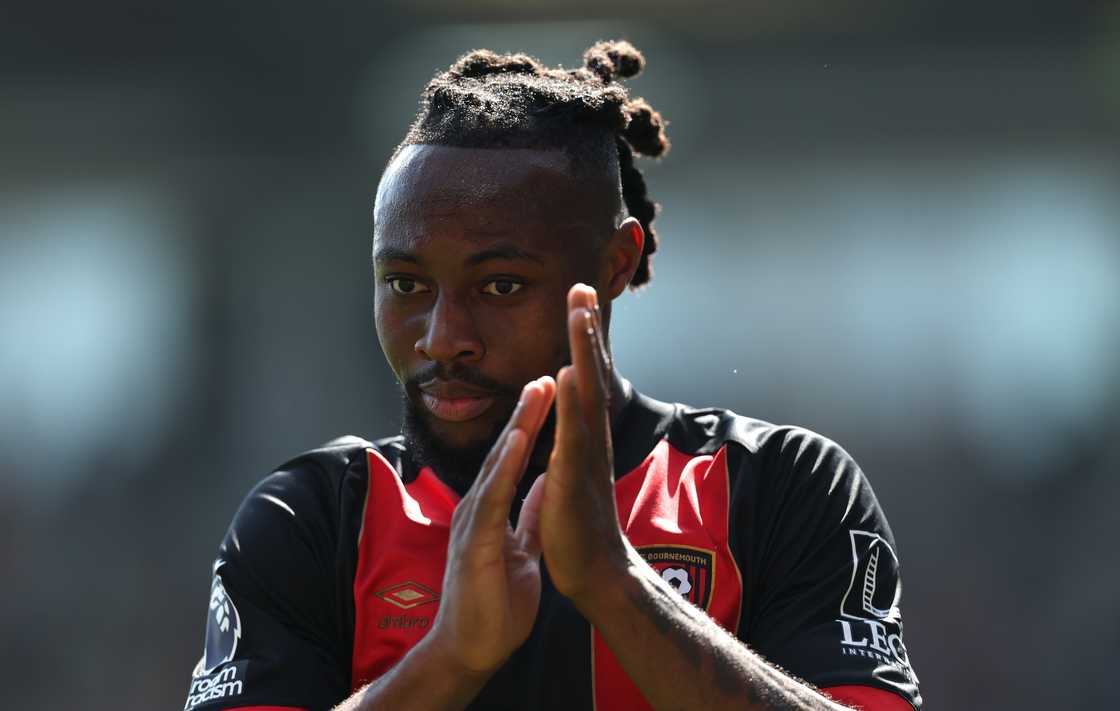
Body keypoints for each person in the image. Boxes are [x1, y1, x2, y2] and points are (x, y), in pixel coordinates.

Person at [183, 40, 922, 711]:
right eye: (406, 284)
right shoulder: (312, 519)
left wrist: (616, 585)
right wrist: (448, 659)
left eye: (500, 286)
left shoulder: (781, 486)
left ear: (616, 263)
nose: (444, 339)